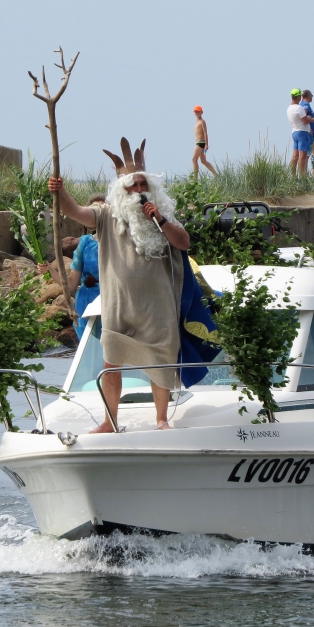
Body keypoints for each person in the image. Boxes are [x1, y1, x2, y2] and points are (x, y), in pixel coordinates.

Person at [48, 138, 191, 432]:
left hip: (158, 304)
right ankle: (110, 421)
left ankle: (161, 419)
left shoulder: (164, 216)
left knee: (160, 362)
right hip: (118, 304)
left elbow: (184, 243)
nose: (139, 190)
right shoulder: (105, 216)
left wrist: (160, 220)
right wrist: (60, 192)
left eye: (143, 185)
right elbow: (75, 212)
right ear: (121, 190)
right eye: (133, 186)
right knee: (111, 363)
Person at [67, 195, 105, 339]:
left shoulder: (121, 242)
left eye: (102, 209)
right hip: (87, 301)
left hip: (111, 300)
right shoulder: (85, 243)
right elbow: (71, 285)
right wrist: (49, 269)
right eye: (94, 210)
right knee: (88, 346)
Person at [288, 89, 314, 177]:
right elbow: (305, 120)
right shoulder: (299, 108)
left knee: (295, 156)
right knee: (302, 156)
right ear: (299, 96)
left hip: (295, 131)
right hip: (302, 133)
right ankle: (302, 177)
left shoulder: (289, 108)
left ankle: (293, 176)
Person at [191, 106, 218, 177]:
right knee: (203, 161)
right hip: (198, 142)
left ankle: (195, 179)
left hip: (201, 143)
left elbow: (205, 133)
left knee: (194, 159)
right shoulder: (197, 122)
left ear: (201, 112)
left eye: (198, 111)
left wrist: (206, 144)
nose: (197, 113)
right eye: (196, 111)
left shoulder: (202, 121)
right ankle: (216, 175)